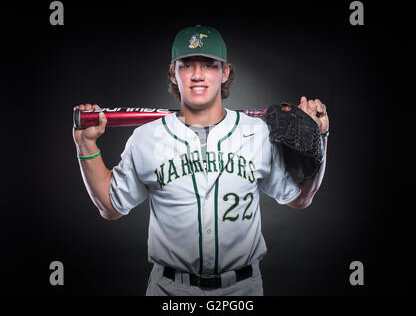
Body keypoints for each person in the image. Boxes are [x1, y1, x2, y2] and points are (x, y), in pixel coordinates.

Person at [73, 25, 329, 296]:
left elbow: (301, 198)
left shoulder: (258, 133)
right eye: (186, 65)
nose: (197, 75)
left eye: (208, 65)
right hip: (169, 290)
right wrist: (85, 144)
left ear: (225, 72)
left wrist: (322, 138)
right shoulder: (146, 138)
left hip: (242, 291)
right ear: (174, 73)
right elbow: (111, 206)